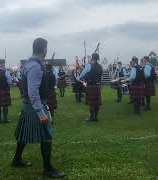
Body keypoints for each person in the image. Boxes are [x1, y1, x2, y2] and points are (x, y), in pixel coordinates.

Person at [12, 38, 66, 179]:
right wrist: (41, 113)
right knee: (47, 136)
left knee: (23, 134)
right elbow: (33, 92)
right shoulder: (35, 66)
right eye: (46, 48)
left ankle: (16, 160)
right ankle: (47, 169)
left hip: (28, 106)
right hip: (35, 106)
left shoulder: (30, 63)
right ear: (44, 49)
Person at [77, 53, 103, 121]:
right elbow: (101, 77)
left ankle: (92, 117)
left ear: (92, 57)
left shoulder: (89, 65)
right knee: (97, 103)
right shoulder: (100, 66)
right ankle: (96, 117)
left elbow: (81, 76)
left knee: (92, 103)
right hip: (98, 86)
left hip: (91, 86)